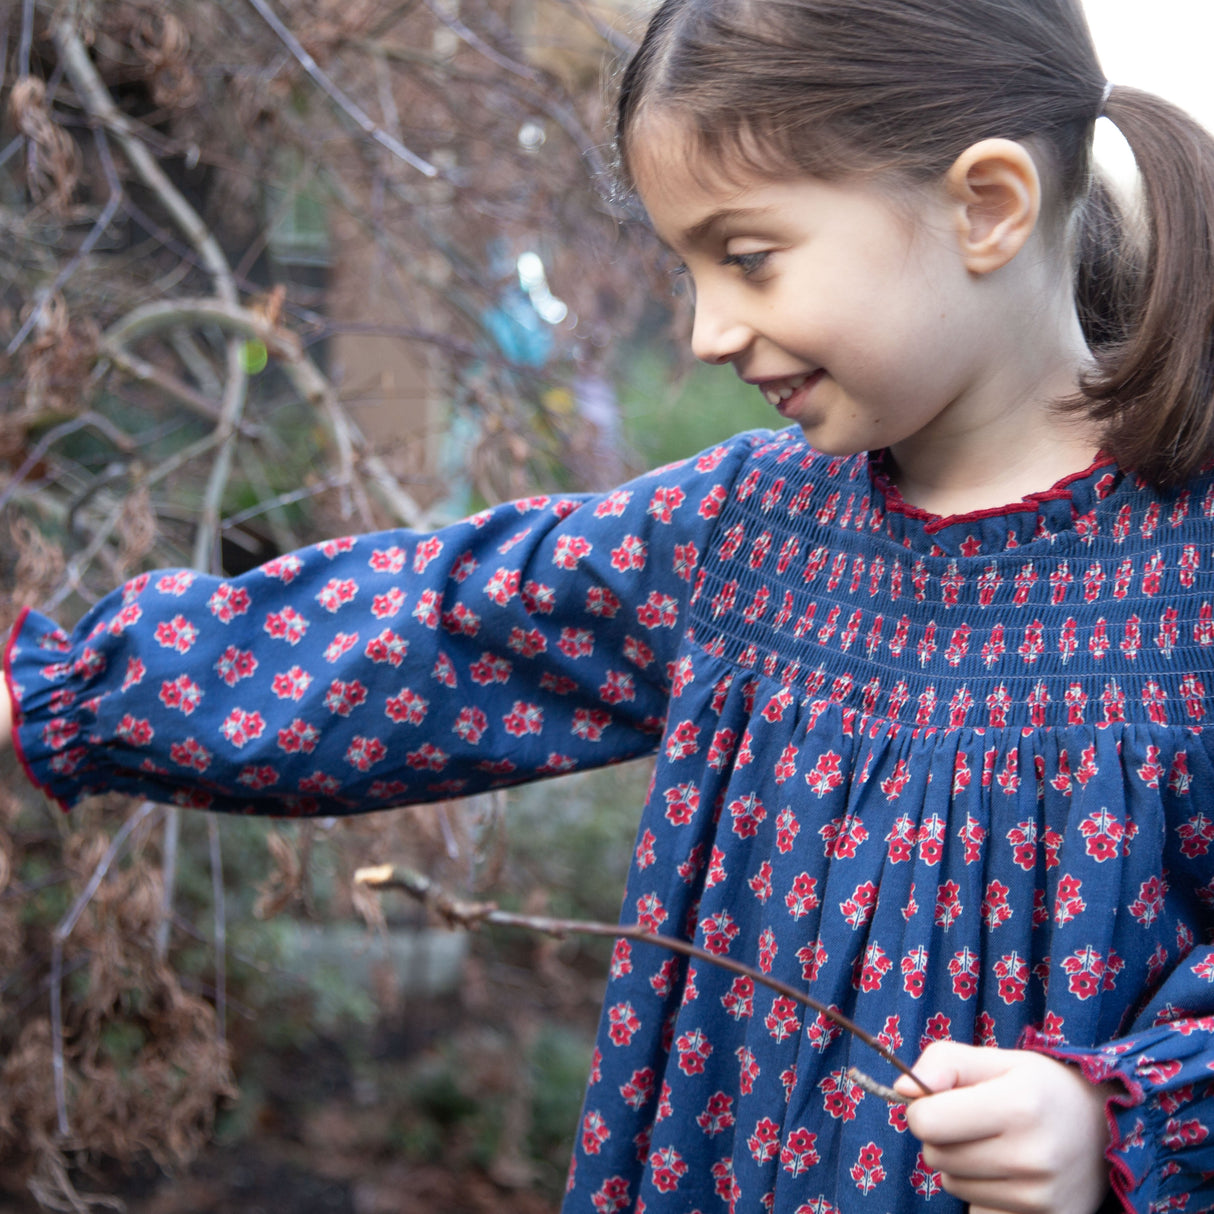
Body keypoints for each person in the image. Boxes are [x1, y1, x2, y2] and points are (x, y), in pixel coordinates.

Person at [6, 0, 1214, 1208]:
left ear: (985, 205)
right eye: (685, 267)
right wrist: (68, 688)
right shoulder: (748, 537)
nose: (704, 330)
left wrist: (1124, 1116)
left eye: (746, 255)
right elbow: (442, 626)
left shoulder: (1188, 582)